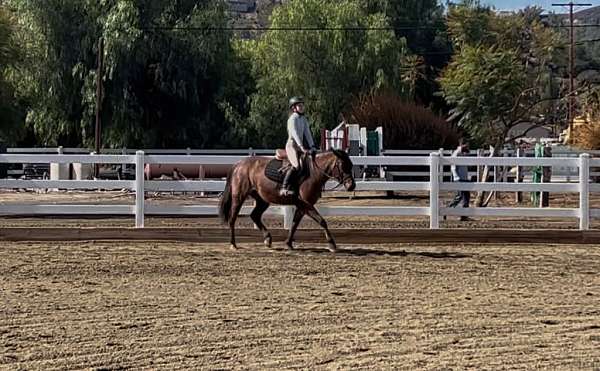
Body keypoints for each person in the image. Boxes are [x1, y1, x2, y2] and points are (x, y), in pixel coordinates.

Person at [280, 96, 317, 196]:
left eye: (302, 105)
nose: (301, 107)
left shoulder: (303, 119)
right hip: (292, 145)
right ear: (293, 108)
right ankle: (284, 187)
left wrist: (312, 146)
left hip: (300, 146)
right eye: (299, 106)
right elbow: (294, 134)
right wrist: (301, 147)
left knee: (307, 164)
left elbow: (307, 133)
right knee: (296, 165)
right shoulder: (292, 119)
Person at [447, 140, 473, 221]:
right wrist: (456, 177)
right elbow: (453, 166)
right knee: (460, 196)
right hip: (459, 179)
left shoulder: (463, 153)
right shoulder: (456, 153)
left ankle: (464, 215)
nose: (468, 147)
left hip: (464, 178)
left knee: (466, 196)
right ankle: (447, 210)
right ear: (462, 144)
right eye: (466, 145)